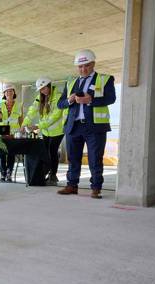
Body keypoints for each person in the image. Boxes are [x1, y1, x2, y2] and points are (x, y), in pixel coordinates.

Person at [57, 49, 115, 199]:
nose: (83, 69)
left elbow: (111, 98)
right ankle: (72, 185)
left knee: (95, 158)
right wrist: (69, 100)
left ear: (93, 64)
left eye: (87, 66)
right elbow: (60, 104)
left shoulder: (105, 79)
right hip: (74, 126)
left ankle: (96, 188)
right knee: (73, 158)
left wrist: (91, 100)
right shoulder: (70, 82)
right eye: (80, 67)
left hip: (94, 126)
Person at [22, 77, 66, 186]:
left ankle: (53, 175)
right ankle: (45, 173)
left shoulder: (58, 96)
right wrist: (24, 124)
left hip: (58, 130)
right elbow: (32, 111)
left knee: (52, 151)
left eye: (44, 88)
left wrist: (37, 126)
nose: (43, 91)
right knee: (45, 153)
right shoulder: (40, 98)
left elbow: (55, 116)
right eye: (41, 89)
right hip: (46, 131)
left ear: (49, 85)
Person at [0, 83, 22, 182]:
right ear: (4, 94)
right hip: (0, 133)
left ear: (14, 92)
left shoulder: (19, 105)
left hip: (13, 133)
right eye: (7, 91)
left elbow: (21, 120)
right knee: (1, 154)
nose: (9, 93)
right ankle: (3, 173)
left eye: (11, 91)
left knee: (11, 153)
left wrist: (22, 130)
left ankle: (9, 173)